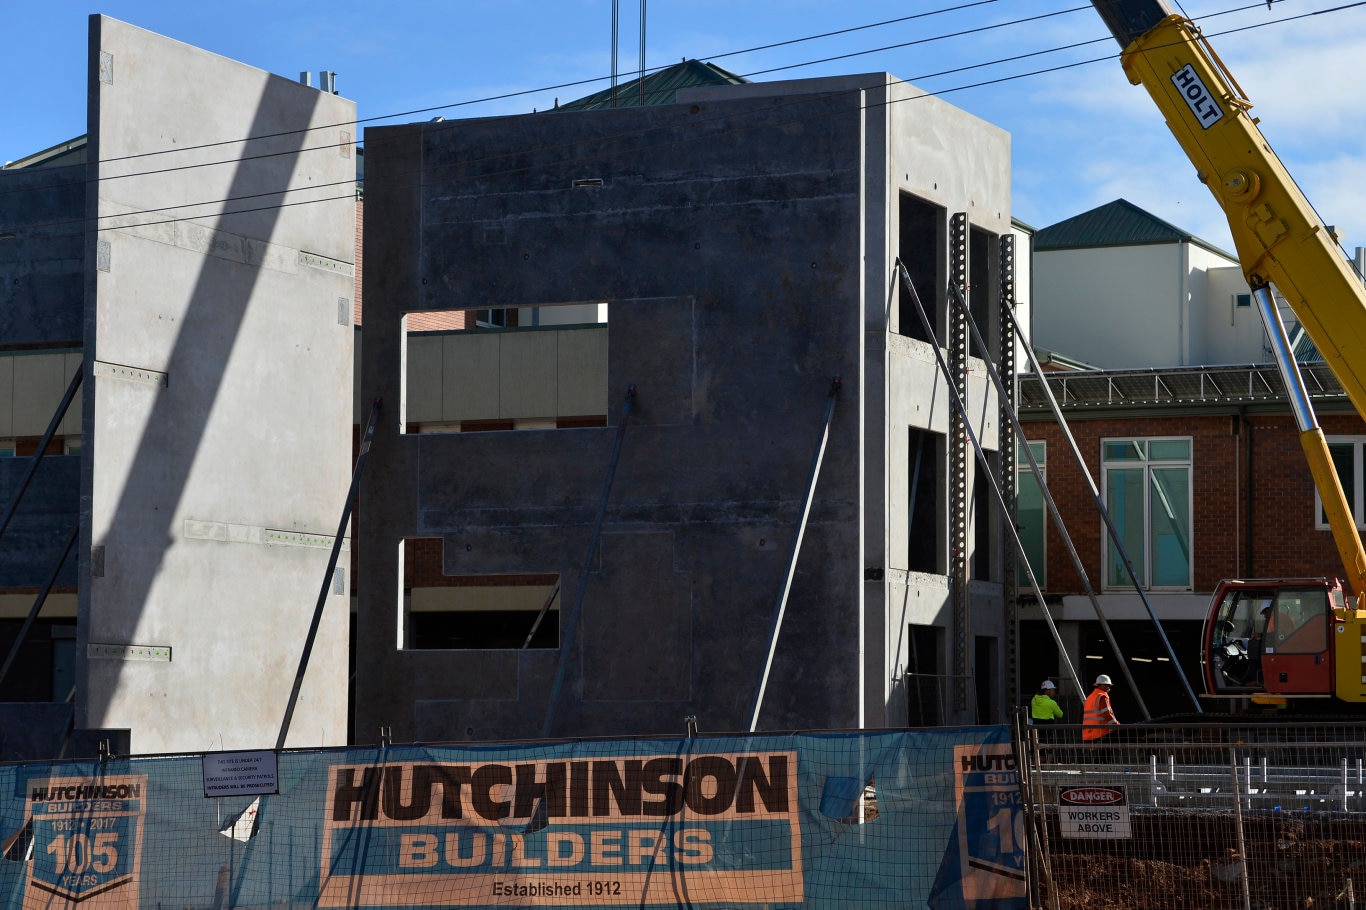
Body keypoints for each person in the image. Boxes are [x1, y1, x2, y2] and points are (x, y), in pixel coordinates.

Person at [1082, 674, 1120, 741]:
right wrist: (1116, 725)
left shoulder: (1089, 697)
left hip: (1088, 734)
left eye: (1109, 685)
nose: (1109, 687)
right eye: (1106, 685)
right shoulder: (1102, 696)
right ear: (1099, 685)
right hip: (1100, 734)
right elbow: (1107, 714)